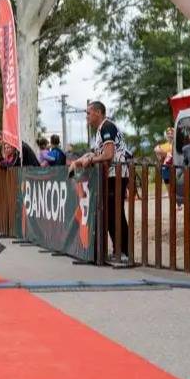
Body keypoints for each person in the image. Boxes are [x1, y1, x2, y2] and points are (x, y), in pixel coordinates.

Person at [68, 101, 130, 262]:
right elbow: (95, 153)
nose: (87, 117)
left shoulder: (107, 126)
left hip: (117, 175)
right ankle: (119, 251)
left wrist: (91, 160)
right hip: (110, 175)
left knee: (115, 213)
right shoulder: (100, 130)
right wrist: (78, 162)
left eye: (88, 113)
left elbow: (108, 154)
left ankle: (124, 252)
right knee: (110, 214)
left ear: (97, 112)